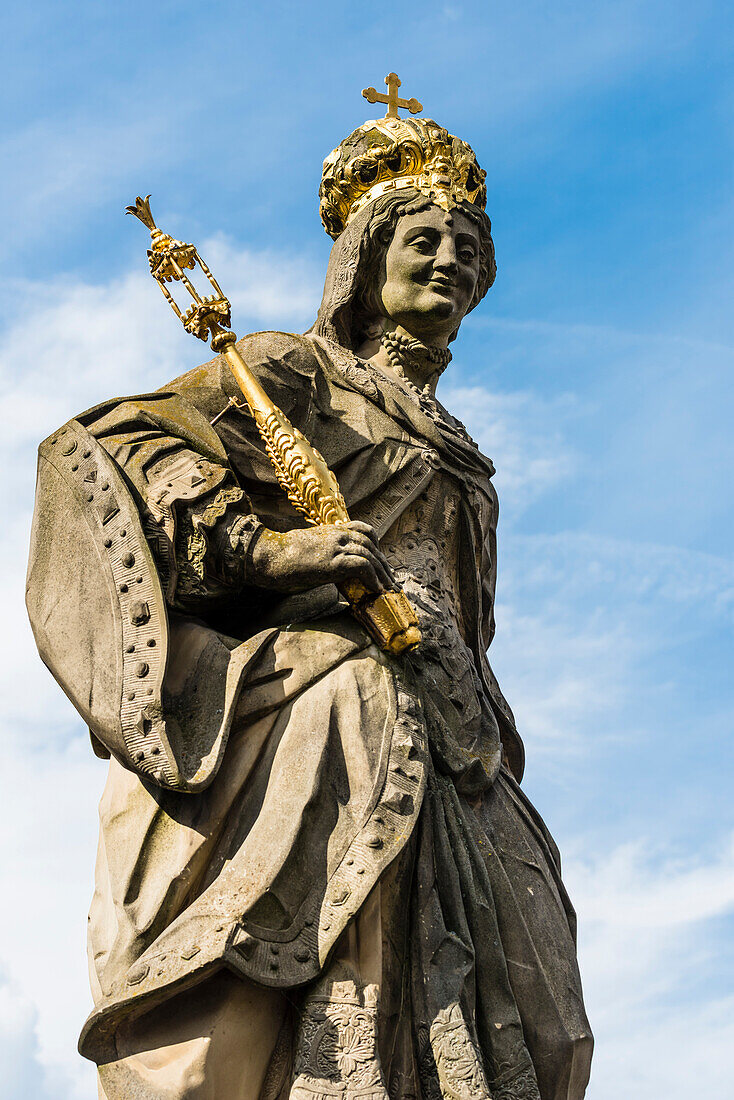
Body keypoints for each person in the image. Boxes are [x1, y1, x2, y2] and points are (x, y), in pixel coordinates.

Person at [27, 106, 593, 1100]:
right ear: (366, 262)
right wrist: (273, 547)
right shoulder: (294, 371)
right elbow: (130, 444)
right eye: (422, 241)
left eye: (467, 248)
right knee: (321, 958)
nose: (448, 261)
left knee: (541, 1015)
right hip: (328, 700)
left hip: (458, 733)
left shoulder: (463, 450)